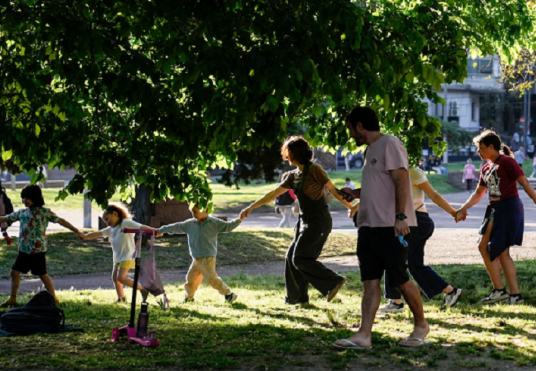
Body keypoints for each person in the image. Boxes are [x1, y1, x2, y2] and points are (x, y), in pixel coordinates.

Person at [334, 106, 427, 350]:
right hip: (368, 225)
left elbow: (400, 181)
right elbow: (379, 186)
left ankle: (421, 326)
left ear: (360, 126)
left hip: (391, 226)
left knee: (400, 279)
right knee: (370, 281)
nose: (351, 135)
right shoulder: (370, 151)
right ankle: (364, 335)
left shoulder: (390, 143)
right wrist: (355, 193)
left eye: (351, 129)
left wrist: (400, 217)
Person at [241, 136, 353, 304]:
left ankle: (333, 282)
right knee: (291, 259)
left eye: (288, 152)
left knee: (300, 258)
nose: (286, 155)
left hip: (319, 220)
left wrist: (351, 207)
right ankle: (297, 299)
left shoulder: (315, 169)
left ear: (295, 153)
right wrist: (251, 207)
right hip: (304, 220)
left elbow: (334, 191)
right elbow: (272, 194)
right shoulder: (293, 176)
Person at [454, 130, 536, 305]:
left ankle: (514, 295)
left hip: (508, 208)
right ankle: (500, 290)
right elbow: (478, 193)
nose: (479, 152)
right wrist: (463, 208)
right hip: (494, 210)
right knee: (484, 246)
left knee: (501, 251)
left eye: (481, 148)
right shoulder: (486, 167)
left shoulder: (507, 162)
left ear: (492, 147)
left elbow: (525, 183)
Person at [356, 164, 463, 313]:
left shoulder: (412, 171)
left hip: (416, 221)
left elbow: (433, 195)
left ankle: (395, 302)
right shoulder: (391, 173)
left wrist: (453, 212)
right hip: (415, 223)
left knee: (392, 257)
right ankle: (450, 291)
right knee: (414, 264)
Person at [0, 184, 85, 307]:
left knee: (42, 274)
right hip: (24, 250)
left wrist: (77, 231)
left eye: (27, 198)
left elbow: (61, 221)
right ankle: (12, 299)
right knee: (14, 272)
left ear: (36, 198)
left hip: (38, 250)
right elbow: (3, 218)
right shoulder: (22, 213)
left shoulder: (45, 212)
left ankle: (54, 299)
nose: (24, 201)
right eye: (23, 198)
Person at [79, 204, 161, 302]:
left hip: (127, 255)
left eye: (107, 219)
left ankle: (143, 289)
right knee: (115, 278)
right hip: (118, 257)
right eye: (105, 221)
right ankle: (121, 298)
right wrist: (85, 236)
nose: (106, 223)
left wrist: (154, 231)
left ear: (115, 214)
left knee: (121, 278)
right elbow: (99, 233)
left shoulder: (126, 223)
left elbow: (140, 227)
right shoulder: (111, 229)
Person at [163, 205, 243, 302]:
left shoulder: (214, 222)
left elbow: (227, 226)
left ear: (206, 210)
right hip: (196, 259)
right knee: (191, 279)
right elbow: (176, 227)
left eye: (195, 212)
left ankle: (229, 294)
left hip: (208, 258)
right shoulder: (190, 224)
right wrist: (162, 230)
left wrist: (239, 219)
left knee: (211, 278)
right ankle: (189, 298)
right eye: (192, 212)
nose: (193, 214)